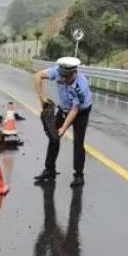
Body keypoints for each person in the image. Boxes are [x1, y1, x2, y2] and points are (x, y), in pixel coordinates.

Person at [33, 57, 92, 187]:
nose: (64, 80)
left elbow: (74, 110)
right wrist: (42, 98)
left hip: (80, 111)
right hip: (64, 108)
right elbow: (37, 76)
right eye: (62, 76)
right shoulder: (57, 72)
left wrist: (63, 128)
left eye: (67, 77)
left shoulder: (80, 85)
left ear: (74, 73)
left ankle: (78, 175)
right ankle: (50, 170)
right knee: (54, 137)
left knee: (78, 141)